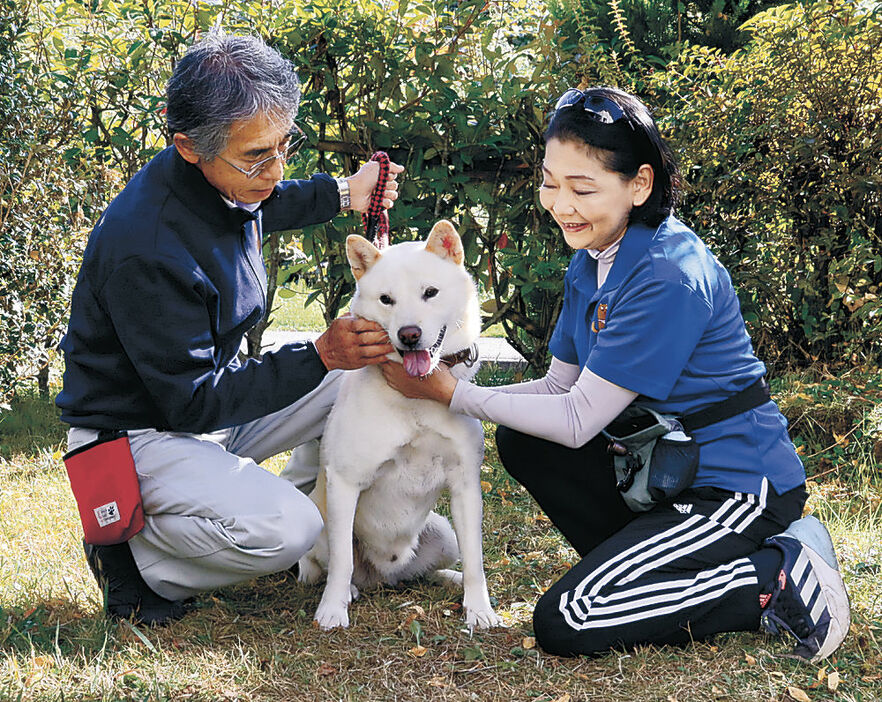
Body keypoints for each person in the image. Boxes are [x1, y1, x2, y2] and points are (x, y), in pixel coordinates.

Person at [382, 86, 851, 662]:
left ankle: (777, 574)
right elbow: (558, 389)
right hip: (662, 468)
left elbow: (578, 419)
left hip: (734, 487)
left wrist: (451, 392)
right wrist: (456, 394)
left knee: (567, 621)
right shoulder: (594, 258)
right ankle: (643, 570)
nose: (561, 204)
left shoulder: (666, 275)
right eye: (551, 182)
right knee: (523, 438)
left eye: (582, 188)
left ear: (640, 185)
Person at [56, 29, 402, 625]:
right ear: (189, 146)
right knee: (286, 530)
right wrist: (319, 353)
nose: (275, 168)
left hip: (200, 405)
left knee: (356, 378)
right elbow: (193, 405)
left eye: (283, 144)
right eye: (256, 156)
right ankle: (135, 556)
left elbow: (261, 198)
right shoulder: (148, 249)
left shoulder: (215, 181)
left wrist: (346, 193)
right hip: (136, 436)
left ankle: (314, 502)